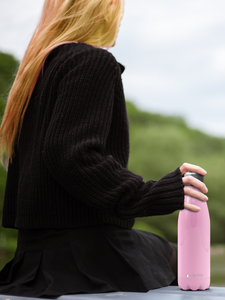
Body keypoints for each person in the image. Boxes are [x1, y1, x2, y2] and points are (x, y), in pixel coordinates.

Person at [0, 0, 208, 298]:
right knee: (186, 258)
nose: (120, 18)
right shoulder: (92, 61)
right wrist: (152, 194)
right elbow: (72, 154)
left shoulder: (35, 72)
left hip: (34, 257)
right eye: (116, 7)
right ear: (100, 11)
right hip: (83, 257)